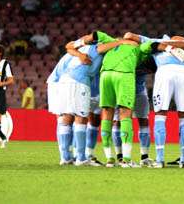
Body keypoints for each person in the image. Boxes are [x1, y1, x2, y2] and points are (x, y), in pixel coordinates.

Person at [68, 31, 184, 168]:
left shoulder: (112, 42)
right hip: (124, 75)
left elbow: (96, 34)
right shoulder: (138, 47)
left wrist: (79, 44)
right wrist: (170, 48)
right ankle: (125, 159)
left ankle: (109, 159)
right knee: (125, 115)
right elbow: (154, 45)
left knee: (107, 114)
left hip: (105, 74)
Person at [48, 38, 136, 166]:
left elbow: (69, 46)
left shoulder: (77, 49)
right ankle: (81, 158)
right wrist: (120, 42)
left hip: (58, 81)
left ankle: (66, 157)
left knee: (64, 118)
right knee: (81, 118)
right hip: (77, 81)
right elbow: (100, 48)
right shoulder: (94, 48)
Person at [123, 32, 184, 168]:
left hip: (165, 72)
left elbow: (128, 35)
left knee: (161, 114)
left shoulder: (152, 40)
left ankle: (160, 160)